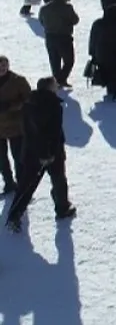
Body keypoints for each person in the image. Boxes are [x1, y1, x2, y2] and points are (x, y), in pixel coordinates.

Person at [4, 77, 76, 233]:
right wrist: (48, 154)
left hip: (31, 151)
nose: (57, 87)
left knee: (26, 185)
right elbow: (53, 132)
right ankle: (62, 209)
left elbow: (28, 130)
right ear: (50, 88)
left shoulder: (28, 103)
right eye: (55, 85)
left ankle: (14, 215)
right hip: (51, 153)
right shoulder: (53, 105)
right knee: (58, 180)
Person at [0, 58, 32, 194]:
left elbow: (28, 99)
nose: (2, 68)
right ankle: (8, 183)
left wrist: (11, 106)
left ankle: (22, 184)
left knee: (18, 157)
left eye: (4, 65)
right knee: (1, 159)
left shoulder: (18, 81)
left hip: (16, 126)